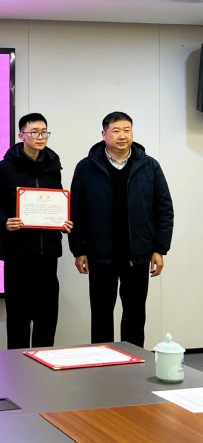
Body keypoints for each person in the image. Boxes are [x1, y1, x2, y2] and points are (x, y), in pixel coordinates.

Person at [69, 111, 174, 348]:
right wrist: (79, 250)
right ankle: (102, 361)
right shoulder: (86, 167)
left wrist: (160, 249)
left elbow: (164, 209)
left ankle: (134, 361)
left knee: (135, 315)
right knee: (101, 315)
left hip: (137, 254)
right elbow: (76, 211)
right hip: (99, 255)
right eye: (116, 131)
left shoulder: (149, 166)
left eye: (127, 130)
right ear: (104, 134)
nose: (122, 136)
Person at [0, 113, 72, 350]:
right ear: (21, 135)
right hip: (17, 255)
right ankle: (17, 368)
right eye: (34, 132)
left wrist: (63, 221)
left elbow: (57, 203)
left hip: (47, 255)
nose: (40, 137)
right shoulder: (3, 168)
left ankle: (44, 364)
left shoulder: (53, 167)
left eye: (44, 132)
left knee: (47, 319)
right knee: (18, 320)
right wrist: (4, 222)